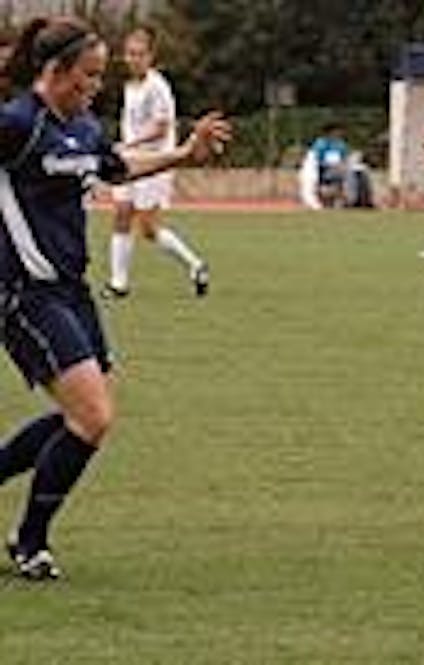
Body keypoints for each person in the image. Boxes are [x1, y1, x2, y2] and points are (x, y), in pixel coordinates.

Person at [0, 16, 231, 580]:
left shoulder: (80, 127)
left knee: (82, 416)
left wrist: (184, 154)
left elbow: (118, 167)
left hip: (72, 291)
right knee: (93, 417)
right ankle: (30, 541)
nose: (97, 86)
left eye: (101, 76)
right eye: (89, 75)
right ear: (55, 72)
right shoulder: (16, 125)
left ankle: (26, 534)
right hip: (23, 293)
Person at [105, 26, 209, 299]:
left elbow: (161, 129)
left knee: (149, 228)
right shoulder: (130, 87)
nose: (133, 59)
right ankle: (119, 283)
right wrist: (125, 148)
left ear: (151, 56)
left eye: (139, 54)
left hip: (155, 163)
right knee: (121, 212)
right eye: (129, 54)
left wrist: (129, 145)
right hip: (130, 162)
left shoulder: (157, 86)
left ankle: (196, 265)